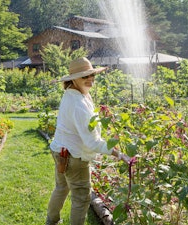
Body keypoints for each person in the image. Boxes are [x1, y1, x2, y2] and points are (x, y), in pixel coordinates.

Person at [45, 57, 130, 225]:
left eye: (92, 75)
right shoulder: (78, 104)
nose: (90, 79)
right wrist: (118, 154)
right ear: (74, 79)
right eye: (85, 77)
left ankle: (51, 221)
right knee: (81, 199)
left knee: (61, 188)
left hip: (59, 150)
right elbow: (92, 142)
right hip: (74, 157)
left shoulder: (72, 93)